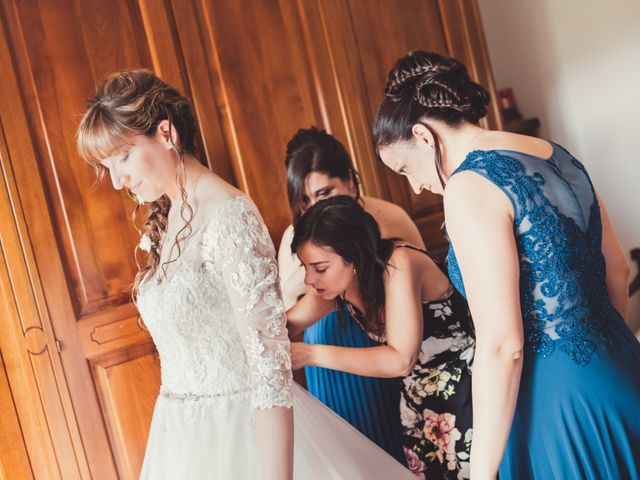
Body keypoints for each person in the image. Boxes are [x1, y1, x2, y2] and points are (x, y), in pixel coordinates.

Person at [76, 69, 414, 479]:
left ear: (166, 133)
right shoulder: (169, 219)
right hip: (183, 436)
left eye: (123, 157)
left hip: (244, 432)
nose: (116, 181)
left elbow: (269, 366)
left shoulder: (229, 216)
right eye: (107, 167)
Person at [372, 50, 640, 479]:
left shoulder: (468, 186)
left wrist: (479, 474)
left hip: (557, 405)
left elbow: (502, 345)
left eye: (405, 169)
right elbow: (618, 272)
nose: (417, 188)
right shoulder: (556, 154)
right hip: (624, 368)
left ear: (424, 136)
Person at [288, 195, 475, 479]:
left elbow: (401, 359)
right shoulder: (338, 286)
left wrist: (311, 354)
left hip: (465, 393)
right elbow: (288, 323)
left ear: (353, 257)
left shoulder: (399, 263)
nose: (309, 280)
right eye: (305, 267)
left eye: (320, 268)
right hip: (417, 405)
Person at [278, 127, 424, 463]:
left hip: (392, 354)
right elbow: (289, 315)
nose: (315, 208)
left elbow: (405, 346)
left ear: (350, 181)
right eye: (305, 201)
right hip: (329, 352)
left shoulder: (394, 237)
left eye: (324, 193)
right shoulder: (298, 238)